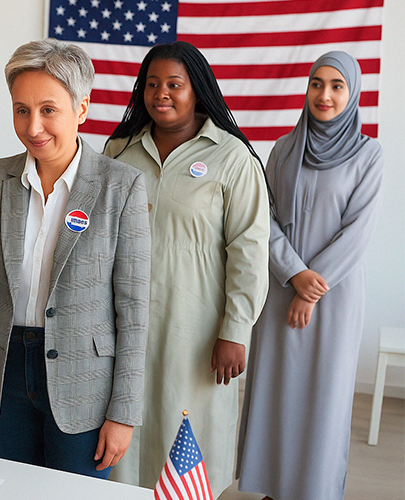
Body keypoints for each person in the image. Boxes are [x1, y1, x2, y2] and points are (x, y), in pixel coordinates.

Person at [0, 39, 151, 479]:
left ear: (82, 108)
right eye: (21, 110)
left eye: (48, 110)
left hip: (85, 380)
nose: (33, 126)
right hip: (2, 369)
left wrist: (124, 412)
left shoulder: (122, 186)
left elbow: (134, 309)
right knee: (10, 487)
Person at [103, 41, 270, 496]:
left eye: (174, 84)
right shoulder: (118, 151)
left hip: (195, 328)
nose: (162, 93)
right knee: (123, 431)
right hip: (120, 323)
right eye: (152, 84)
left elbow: (249, 250)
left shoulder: (232, 157)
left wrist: (235, 330)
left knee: (185, 427)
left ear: (198, 90)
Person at [236, 51, 384, 500]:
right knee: (275, 394)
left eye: (337, 86)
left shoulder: (368, 154)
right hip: (281, 290)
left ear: (352, 92)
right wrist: (294, 276)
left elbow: (357, 233)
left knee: (324, 399)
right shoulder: (283, 149)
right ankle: (270, 488)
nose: (325, 95)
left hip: (332, 299)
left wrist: (311, 286)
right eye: (317, 84)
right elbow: (266, 219)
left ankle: (314, 491)